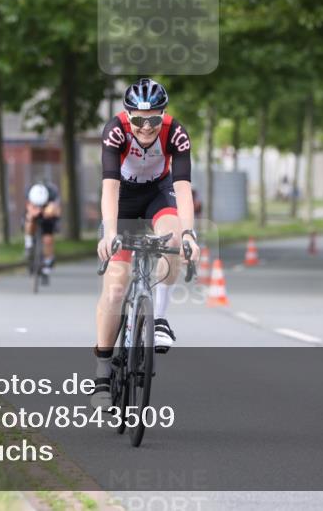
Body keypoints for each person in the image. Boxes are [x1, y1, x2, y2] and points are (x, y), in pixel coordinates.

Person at [92, 78, 200, 408]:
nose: (145, 127)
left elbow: (182, 189)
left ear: (163, 116)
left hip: (158, 192)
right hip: (123, 198)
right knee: (114, 286)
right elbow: (109, 187)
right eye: (138, 120)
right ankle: (102, 372)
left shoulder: (176, 134)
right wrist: (110, 232)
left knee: (173, 239)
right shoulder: (115, 131)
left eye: (153, 119)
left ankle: (160, 319)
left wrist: (189, 235)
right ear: (128, 117)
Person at [24, 178, 61, 280]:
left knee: (48, 239)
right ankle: (28, 242)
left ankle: (48, 261)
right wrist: (33, 213)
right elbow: (29, 209)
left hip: (48, 215)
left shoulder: (52, 193)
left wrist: (47, 212)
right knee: (29, 219)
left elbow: (56, 210)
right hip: (33, 212)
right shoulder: (29, 192)